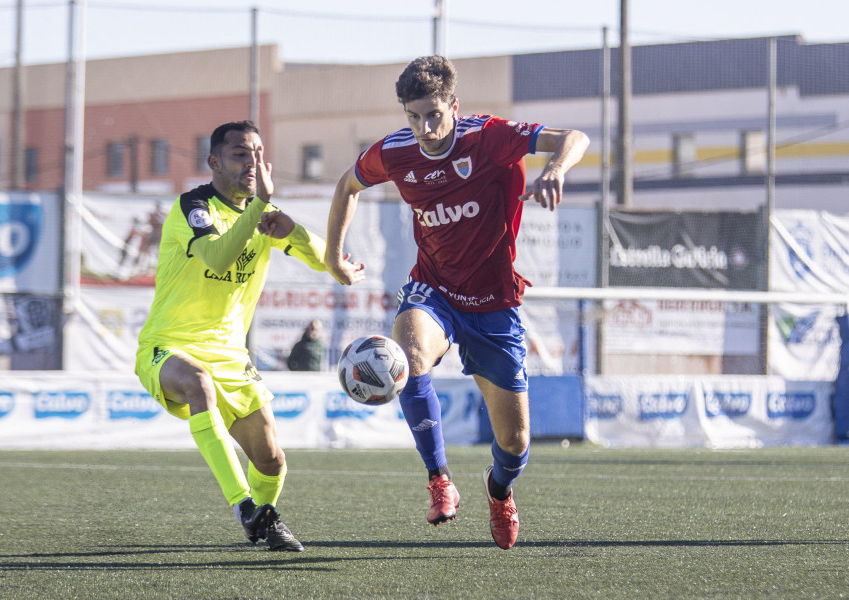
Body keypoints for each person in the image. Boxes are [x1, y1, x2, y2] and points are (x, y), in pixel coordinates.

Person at [325, 56, 589, 549]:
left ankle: (499, 490)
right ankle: (439, 479)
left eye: (433, 115)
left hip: (494, 304)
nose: (424, 128)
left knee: (515, 444)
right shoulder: (396, 152)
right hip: (434, 290)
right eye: (414, 116)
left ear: (453, 106)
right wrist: (332, 256)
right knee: (406, 355)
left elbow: (574, 137)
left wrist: (555, 168)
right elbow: (347, 186)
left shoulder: (488, 137)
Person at [136, 120, 337, 552]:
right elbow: (218, 257)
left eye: (259, 154)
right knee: (197, 384)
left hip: (231, 355)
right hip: (168, 345)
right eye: (241, 153)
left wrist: (300, 236)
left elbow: (323, 262)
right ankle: (245, 506)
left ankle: (261, 523)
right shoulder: (194, 205)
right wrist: (259, 208)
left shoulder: (262, 215)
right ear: (214, 162)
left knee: (272, 461)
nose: (253, 162)